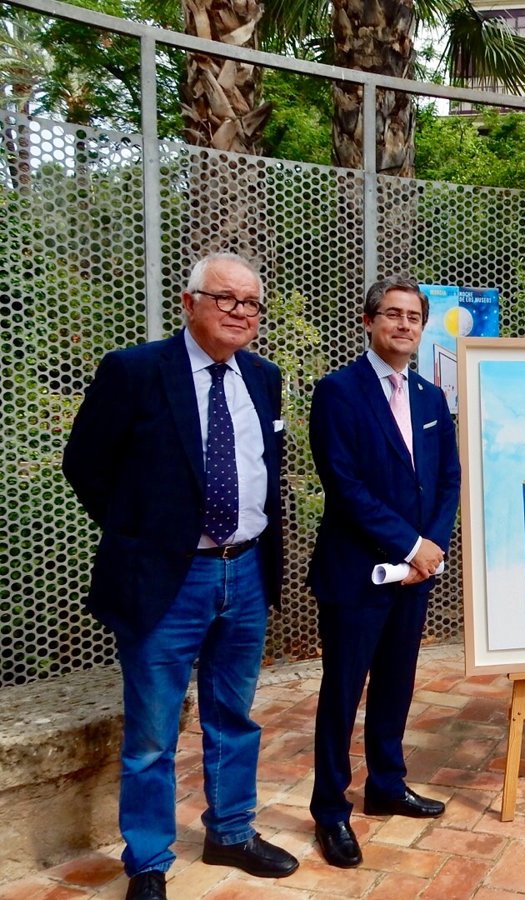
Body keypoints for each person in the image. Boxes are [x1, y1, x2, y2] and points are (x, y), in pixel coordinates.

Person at [63, 253, 298, 900]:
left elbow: (266, 468)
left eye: (251, 303)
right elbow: (85, 464)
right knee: (151, 732)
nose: (240, 312)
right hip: (166, 579)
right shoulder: (134, 371)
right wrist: (142, 534)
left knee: (234, 716)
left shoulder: (264, 377)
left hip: (245, 571)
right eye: (225, 298)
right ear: (189, 302)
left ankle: (231, 831)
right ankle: (147, 860)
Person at [307, 277, 461, 869]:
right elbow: (344, 484)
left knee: (397, 682)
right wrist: (411, 544)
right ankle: (330, 810)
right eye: (392, 314)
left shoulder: (430, 397)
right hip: (357, 573)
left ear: (423, 327)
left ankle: (387, 785)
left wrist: (433, 547)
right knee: (343, 693)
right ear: (368, 322)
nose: (403, 325)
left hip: (417, 573)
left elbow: (447, 477)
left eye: (413, 317)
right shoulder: (337, 392)